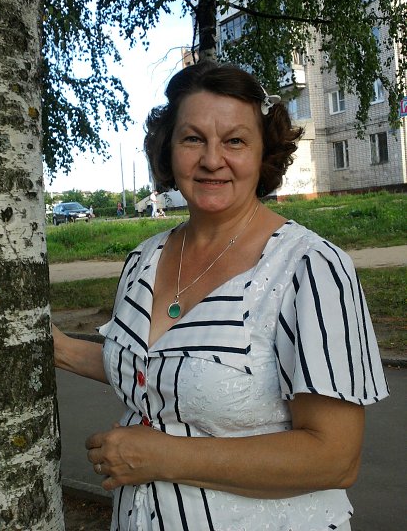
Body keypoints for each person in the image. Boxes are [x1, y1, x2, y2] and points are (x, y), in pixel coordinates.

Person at [53, 61, 389, 531]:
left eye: (234, 141)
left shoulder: (310, 268)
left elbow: (334, 458)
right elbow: (157, 367)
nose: (212, 160)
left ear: (263, 153)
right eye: (193, 139)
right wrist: (62, 350)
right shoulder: (143, 260)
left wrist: (163, 456)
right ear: (168, 150)